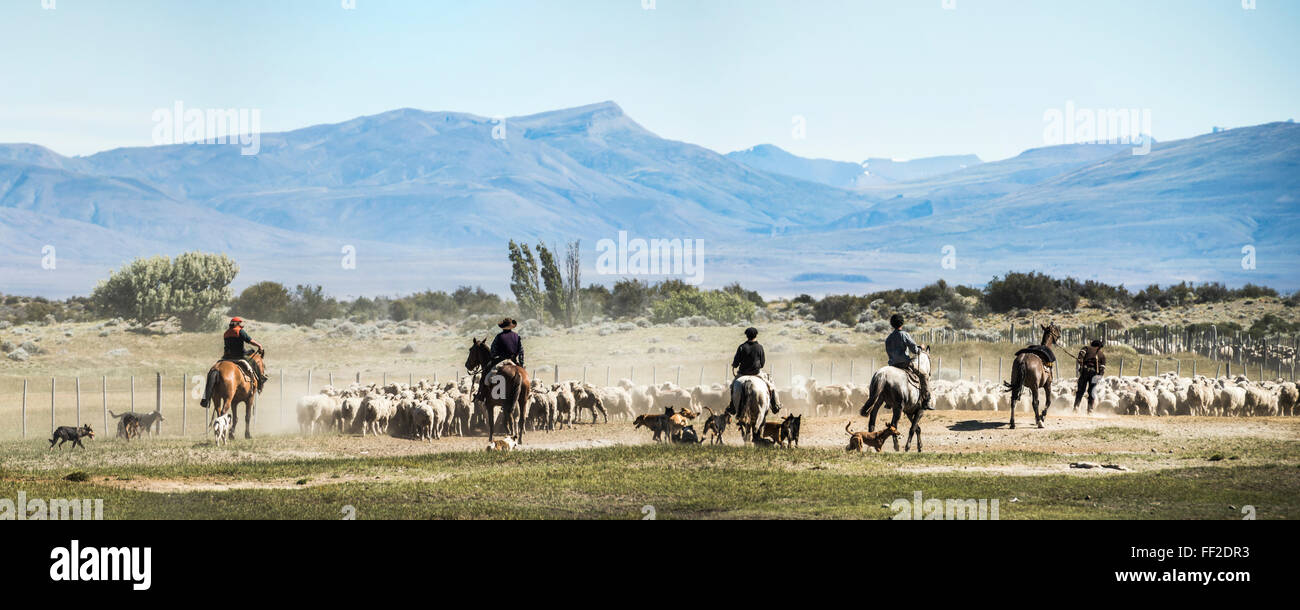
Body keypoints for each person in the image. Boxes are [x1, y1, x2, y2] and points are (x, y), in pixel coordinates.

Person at [202, 317, 266, 407]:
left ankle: (205, 398)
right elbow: (249, 340)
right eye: (240, 323)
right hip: (239, 355)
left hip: (227, 356)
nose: (241, 325)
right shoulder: (240, 331)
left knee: (212, 372)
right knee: (254, 363)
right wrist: (259, 345)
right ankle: (260, 381)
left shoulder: (226, 333)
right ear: (238, 324)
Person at [727, 327, 780, 415]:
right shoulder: (760, 347)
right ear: (756, 335)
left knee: (733, 386)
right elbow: (762, 363)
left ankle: (732, 406)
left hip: (742, 374)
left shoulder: (741, 347)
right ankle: (775, 405)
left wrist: (734, 365)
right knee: (771, 385)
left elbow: (736, 363)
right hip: (756, 373)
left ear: (746, 336)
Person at [886, 314, 933, 410]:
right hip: (904, 363)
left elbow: (889, 353)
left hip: (892, 365)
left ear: (892, 324)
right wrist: (921, 348)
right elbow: (914, 350)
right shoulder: (904, 334)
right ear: (902, 323)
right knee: (924, 375)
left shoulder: (888, 338)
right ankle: (926, 400)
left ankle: (887, 402)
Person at [478, 318, 523, 400]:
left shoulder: (499, 337)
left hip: (501, 360)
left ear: (502, 327)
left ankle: (482, 395)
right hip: (513, 361)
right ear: (512, 327)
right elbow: (521, 352)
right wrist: (521, 364)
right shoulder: (517, 337)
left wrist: (493, 358)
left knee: (486, 375)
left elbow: (493, 351)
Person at [1073, 339, 1106, 413]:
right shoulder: (1102, 355)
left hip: (1085, 371)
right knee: (1092, 391)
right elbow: (1102, 369)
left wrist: (1081, 362)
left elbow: (1081, 355)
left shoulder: (1086, 348)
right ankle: (1090, 409)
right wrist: (1099, 376)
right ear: (1099, 346)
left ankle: (1076, 407)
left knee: (1081, 390)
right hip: (1095, 374)